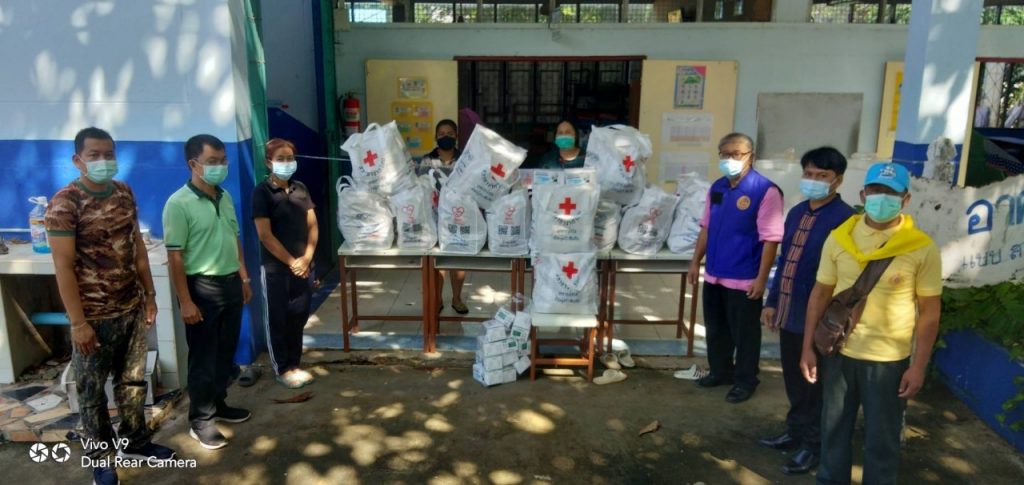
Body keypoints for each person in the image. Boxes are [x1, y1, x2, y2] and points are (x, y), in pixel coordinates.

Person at [46, 127, 177, 485]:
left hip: (130, 307)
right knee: (91, 395)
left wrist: (150, 295)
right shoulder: (65, 204)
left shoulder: (123, 192)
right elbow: (62, 266)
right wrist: (78, 323)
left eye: (109, 154)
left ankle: (135, 442)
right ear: (78, 160)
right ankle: (101, 460)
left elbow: (137, 247)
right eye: (94, 155)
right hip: (92, 316)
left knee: (133, 382)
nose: (103, 161)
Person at [801, 162, 942, 485]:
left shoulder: (921, 247)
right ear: (863, 195)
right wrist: (807, 348)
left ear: (905, 199)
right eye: (876, 190)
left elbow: (930, 312)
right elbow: (820, 294)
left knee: (882, 440)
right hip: (839, 352)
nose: (882, 198)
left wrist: (918, 366)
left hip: (888, 361)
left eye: (891, 193)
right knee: (833, 430)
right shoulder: (840, 238)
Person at [759, 147, 855, 475]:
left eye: (822, 176)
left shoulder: (845, 219)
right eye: (809, 174)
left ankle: (814, 446)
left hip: (821, 318)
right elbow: (785, 261)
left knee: (815, 385)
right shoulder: (797, 212)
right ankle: (795, 432)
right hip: (790, 312)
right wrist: (772, 302)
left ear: (837, 180)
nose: (813, 180)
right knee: (793, 379)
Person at [163, 134, 253, 450]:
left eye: (223, 160)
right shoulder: (178, 204)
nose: (220, 167)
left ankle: (219, 404)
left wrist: (244, 278)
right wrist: (185, 301)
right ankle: (200, 421)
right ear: (193, 164)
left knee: (225, 353)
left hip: (230, 283)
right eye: (212, 161)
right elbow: (175, 256)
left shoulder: (224, 197)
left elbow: (234, 238)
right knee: (203, 358)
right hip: (201, 288)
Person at [687, 133, 783, 403]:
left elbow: (771, 239)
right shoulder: (717, 187)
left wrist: (761, 279)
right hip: (715, 273)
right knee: (716, 329)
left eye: (737, 154)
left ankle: (745, 380)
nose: (730, 159)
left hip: (744, 277)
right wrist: (695, 262)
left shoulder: (765, 191)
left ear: (751, 156)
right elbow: (706, 227)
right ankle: (720, 372)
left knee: (745, 334)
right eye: (725, 154)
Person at [253, 138, 318, 388]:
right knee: (278, 319)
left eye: (290, 158)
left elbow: (312, 226)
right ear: (268, 162)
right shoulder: (262, 193)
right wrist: (293, 262)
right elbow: (265, 236)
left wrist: (307, 257)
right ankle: (282, 368)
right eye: (280, 158)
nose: (286, 163)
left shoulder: (301, 189)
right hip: (276, 270)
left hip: (304, 267)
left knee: (298, 316)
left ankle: (295, 364)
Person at [420, 119, 469, 314]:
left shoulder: (465, 160)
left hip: (459, 216)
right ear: (435, 136)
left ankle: (457, 298)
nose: (445, 136)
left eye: (450, 133)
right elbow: (421, 186)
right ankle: (438, 298)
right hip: (434, 216)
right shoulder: (427, 160)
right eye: (441, 133)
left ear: (456, 136)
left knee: (458, 258)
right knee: (438, 260)